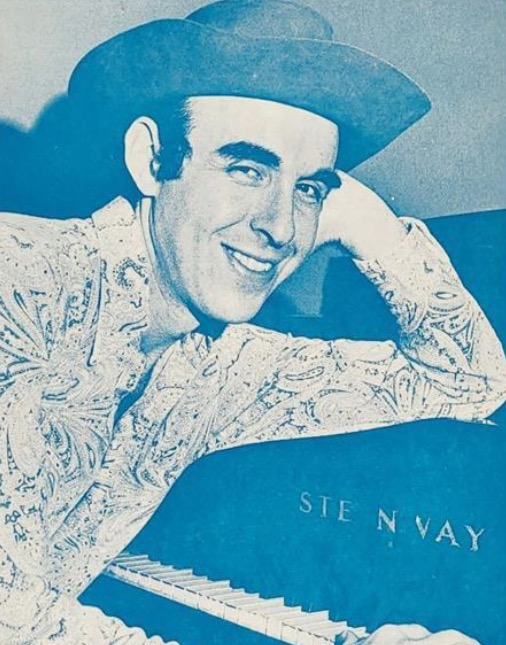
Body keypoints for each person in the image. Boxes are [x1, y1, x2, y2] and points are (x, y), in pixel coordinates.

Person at [0, 0, 504, 643]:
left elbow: (468, 380)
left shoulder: (218, 362)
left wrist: (373, 229)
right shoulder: (21, 282)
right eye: (247, 169)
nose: (282, 227)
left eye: (308, 189)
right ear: (151, 159)